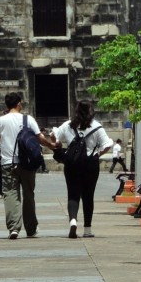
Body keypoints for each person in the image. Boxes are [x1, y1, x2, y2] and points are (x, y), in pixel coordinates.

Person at [0, 92, 56, 239]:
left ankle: (14, 228)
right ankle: (31, 228)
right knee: (29, 194)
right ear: (19, 103)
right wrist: (51, 145)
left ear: (6, 105)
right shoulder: (28, 119)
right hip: (27, 163)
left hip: (8, 163)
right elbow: (40, 138)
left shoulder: (0, 121)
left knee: (10, 194)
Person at [51, 101, 114, 238]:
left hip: (72, 163)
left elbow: (55, 138)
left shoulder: (68, 125)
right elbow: (108, 144)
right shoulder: (97, 127)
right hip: (91, 164)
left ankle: (73, 220)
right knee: (88, 196)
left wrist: (59, 145)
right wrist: (97, 154)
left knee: (73, 194)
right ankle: (87, 229)